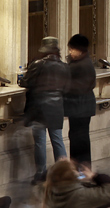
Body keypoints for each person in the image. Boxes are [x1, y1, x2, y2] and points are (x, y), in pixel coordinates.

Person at [21, 36, 69, 183]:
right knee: (57, 140)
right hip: (56, 108)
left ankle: (41, 172)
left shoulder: (37, 64)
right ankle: (64, 173)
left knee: (40, 142)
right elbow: (66, 88)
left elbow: (27, 82)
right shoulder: (64, 66)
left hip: (39, 108)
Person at [64, 33, 96, 167]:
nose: (70, 52)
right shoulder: (81, 62)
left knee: (79, 140)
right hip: (79, 108)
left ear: (80, 49)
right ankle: (79, 168)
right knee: (77, 138)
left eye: (72, 49)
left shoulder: (81, 65)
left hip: (80, 108)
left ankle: (81, 169)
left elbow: (79, 87)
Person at [43, 159, 110, 208]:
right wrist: (94, 176)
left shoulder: (52, 193)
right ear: (73, 175)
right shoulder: (80, 195)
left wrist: (61, 167)